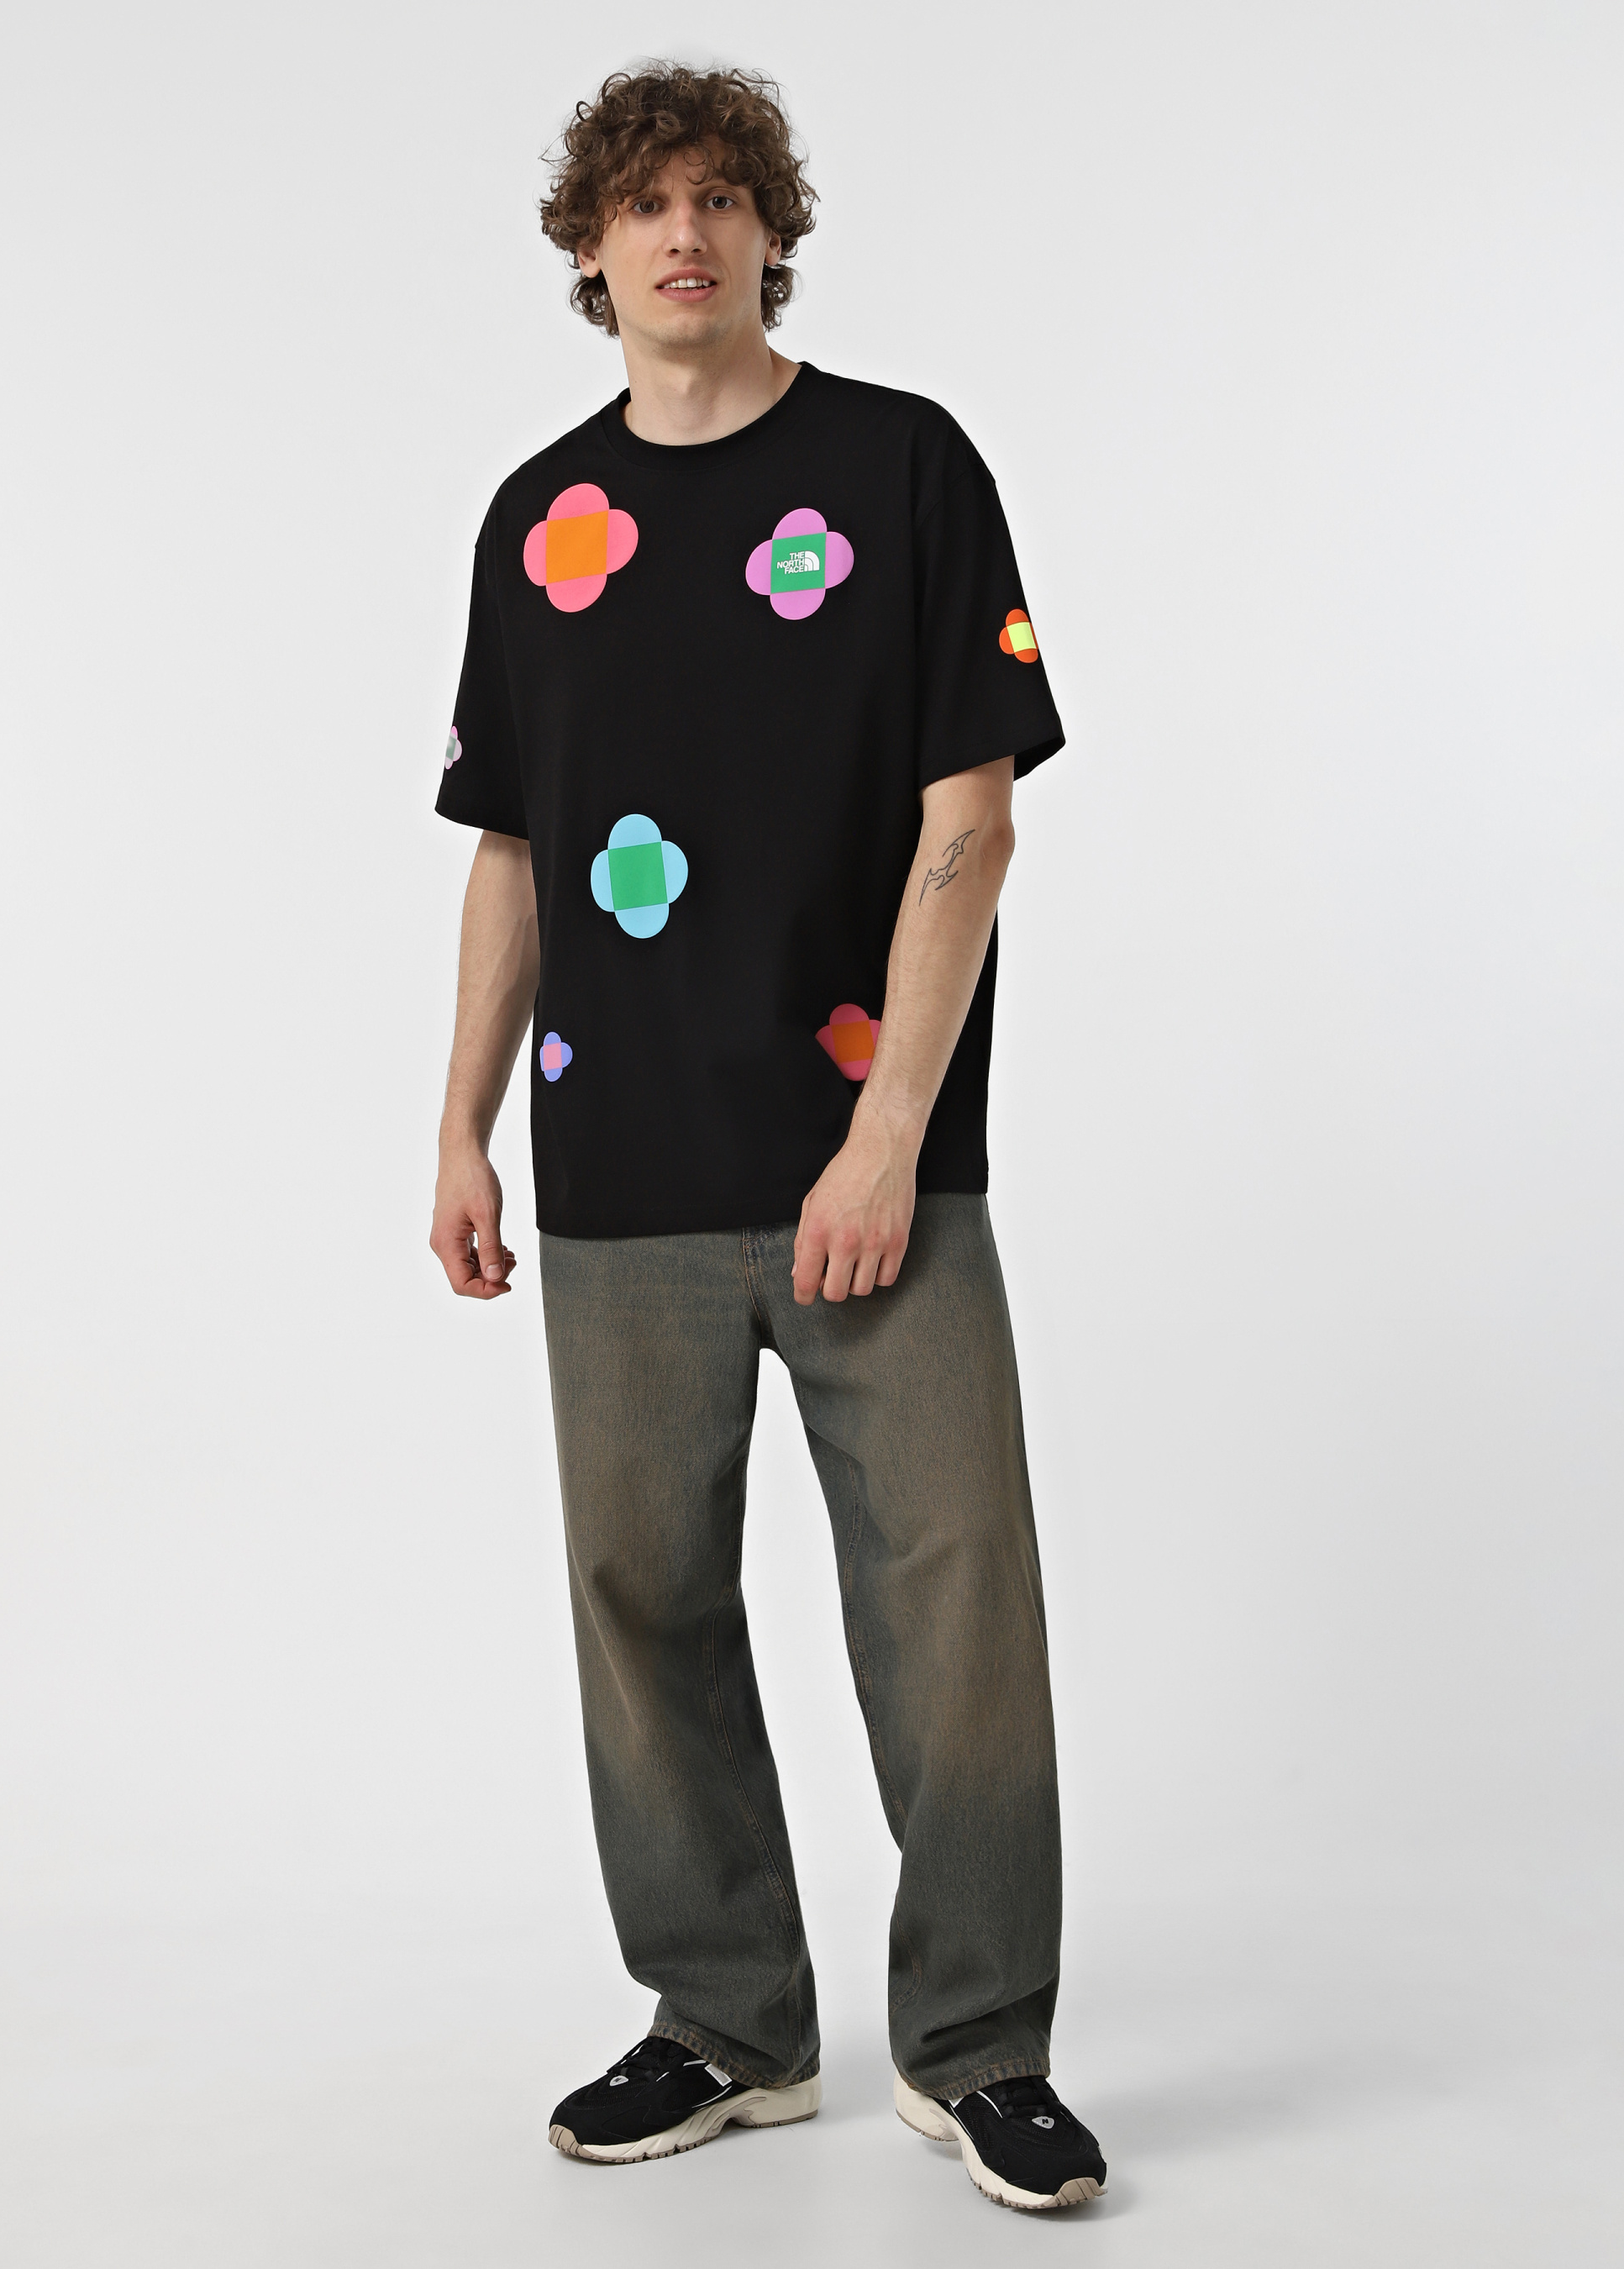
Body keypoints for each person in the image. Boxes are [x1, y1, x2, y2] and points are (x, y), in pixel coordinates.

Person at [428, 63, 1107, 2214]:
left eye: (721, 196)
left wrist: (884, 1135)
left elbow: (969, 819)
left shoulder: (901, 469)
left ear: (769, 233)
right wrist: (456, 1124)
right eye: (643, 203)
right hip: (612, 1157)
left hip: (871, 1167)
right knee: (639, 1601)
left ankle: (977, 2048)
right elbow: (512, 845)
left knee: (956, 1605)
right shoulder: (536, 519)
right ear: (589, 247)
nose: (682, 232)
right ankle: (725, 2023)